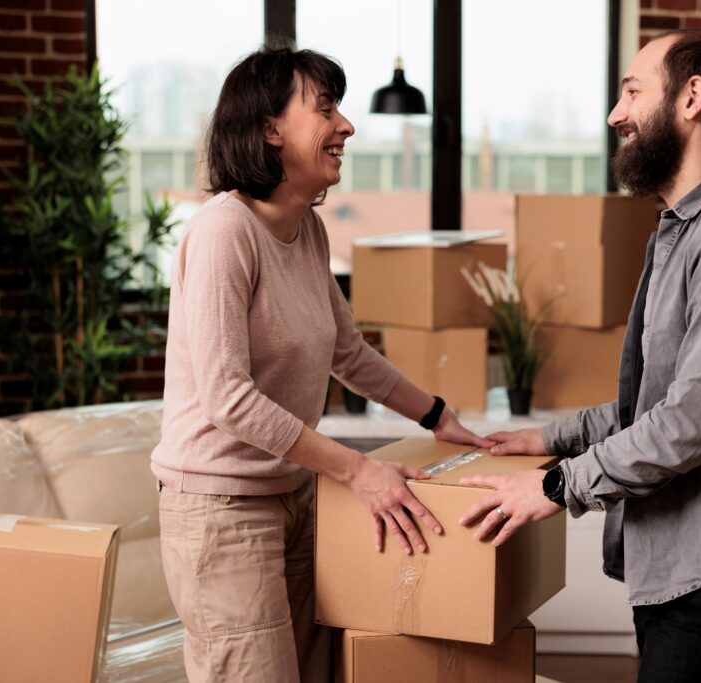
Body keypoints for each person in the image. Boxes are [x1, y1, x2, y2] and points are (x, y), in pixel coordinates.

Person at [460, 29, 701, 683]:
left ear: (692, 98)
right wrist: (543, 437)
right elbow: (652, 405)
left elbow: (695, 418)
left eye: (632, 91)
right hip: (686, 563)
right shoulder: (682, 231)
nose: (616, 114)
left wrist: (556, 485)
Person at [150, 45, 492, 683]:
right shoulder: (224, 232)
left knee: (314, 672)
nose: (347, 126)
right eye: (327, 108)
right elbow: (228, 398)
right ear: (271, 128)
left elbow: (347, 352)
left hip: (291, 494)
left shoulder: (307, 230)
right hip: (221, 507)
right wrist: (358, 471)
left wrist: (440, 417)